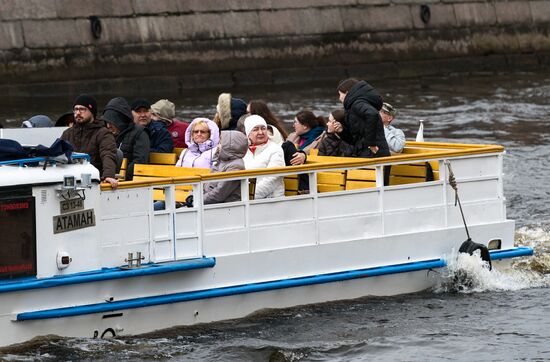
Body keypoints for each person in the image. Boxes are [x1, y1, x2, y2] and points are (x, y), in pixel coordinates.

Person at [61, 94, 118, 188]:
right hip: (70, 181)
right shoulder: (67, 133)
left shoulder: (103, 133)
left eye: (82, 109)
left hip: (93, 182)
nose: (78, 113)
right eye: (76, 109)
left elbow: (108, 154)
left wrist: (108, 176)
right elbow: (57, 155)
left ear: (92, 112)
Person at [336, 78, 390, 158]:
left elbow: (372, 114)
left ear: (347, 93)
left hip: (373, 153)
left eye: (340, 94)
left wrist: (371, 143)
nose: (339, 98)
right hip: (367, 153)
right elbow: (355, 139)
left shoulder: (357, 103)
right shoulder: (355, 106)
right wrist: (342, 131)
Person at [102, 97, 150, 181]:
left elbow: (140, 161)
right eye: (106, 122)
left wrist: (122, 177)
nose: (108, 126)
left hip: (131, 181)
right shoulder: (107, 134)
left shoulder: (140, 133)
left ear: (120, 120)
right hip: (110, 178)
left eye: (111, 122)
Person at [243, 115, 285, 199]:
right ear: (248, 134)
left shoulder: (275, 149)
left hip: (271, 201)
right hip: (246, 198)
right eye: (255, 129)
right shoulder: (243, 150)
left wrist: (250, 195)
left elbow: (273, 178)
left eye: (263, 128)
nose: (260, 132)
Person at [202, 130, 248, 204]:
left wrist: (198, 200)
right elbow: (206, 184)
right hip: (212, 204)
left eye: (220, 143)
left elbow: (220, 193)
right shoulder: (221, 162)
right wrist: (193, 196)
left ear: (230, 146)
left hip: (226, 207)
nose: (218, 146)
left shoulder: (236, 166)